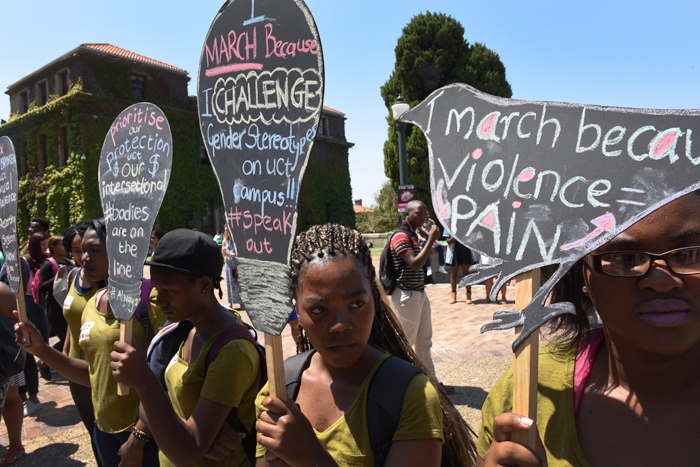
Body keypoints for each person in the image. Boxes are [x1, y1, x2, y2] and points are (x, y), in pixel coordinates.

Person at [477, 191, 700, 466]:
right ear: (581, 272)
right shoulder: (530, 386)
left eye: (691, 254)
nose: (662, 281)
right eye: (625, 259)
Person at [254, 223, 475, 466]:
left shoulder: (411, 396)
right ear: (296, 309)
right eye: (318, 309)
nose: (340, 325)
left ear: (374, 299)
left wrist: (309, 455)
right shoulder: (278, 390)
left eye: (357, 304)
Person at [111, 229, 263, 466]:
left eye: (169, 291)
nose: (160, 301)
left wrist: (144, 382)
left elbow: (187, 451)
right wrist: (188, 429)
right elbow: (151, 408)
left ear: (204, 284)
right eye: (157, 290)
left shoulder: (232, 351)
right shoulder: (187, 330)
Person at [16, 218, 162, 467]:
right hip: (104, 431)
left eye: (94, 250)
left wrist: (138, 438)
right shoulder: (92, 304)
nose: (84, 258)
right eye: (83, 250)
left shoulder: (151, 299)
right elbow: (94, 375)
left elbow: (164, 380)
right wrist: (41, 350)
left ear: (122, 252)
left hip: (146, 435)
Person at [389, 200, 443, 386]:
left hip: (418, 293)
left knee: (424, 342)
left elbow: (433, 238)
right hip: (406, 295)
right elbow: (414, 263)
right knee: (406, 343)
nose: (422, 217)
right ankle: (398, 384)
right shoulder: (400, 236)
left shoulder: (414, 235)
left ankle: (431, 382)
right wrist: (430, 239)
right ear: (407, 215)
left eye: (424, 214)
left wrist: (430, 231)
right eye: (418, 214)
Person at [19, 232, 50, 415]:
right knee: (28, 347)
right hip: (29, 304)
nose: (45, 249)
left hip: (41, 304)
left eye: (48, 245)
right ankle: (29, 397)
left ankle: (46, 364)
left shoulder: (47, 261)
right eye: (42, 245)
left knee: (43, 340)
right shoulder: (25, 262)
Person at [0, 278, 26, 465]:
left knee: (11, 396)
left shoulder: (2, 292)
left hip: (5, 362)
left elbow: (18, 324)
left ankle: (15, 445)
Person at [38, 235, 73, 365]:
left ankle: (48, 361)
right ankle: (45, 362)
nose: (66, 248)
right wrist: (58, 277)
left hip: (69, 304)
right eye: (62, 245)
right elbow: (41, 287)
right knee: (66, 339)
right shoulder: (48, 264)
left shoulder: (68, 262)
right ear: (53, 247)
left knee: (72, 337)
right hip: (55, 308)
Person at [444, 230, 476, 304]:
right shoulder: (447, 225)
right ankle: (453, 295)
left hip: (465, 250)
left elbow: (472, 238)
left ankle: (468, 295)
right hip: (454, 251)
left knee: (466, 274)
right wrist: (456, 235)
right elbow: (448, 241)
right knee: (454, 274)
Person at [222, 225, 241, 308]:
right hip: (228, 264)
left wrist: (233, 255)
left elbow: (240, 253)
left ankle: (241, 302)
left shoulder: (236, 240)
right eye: (226, 230)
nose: (227, 232)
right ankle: (230, 303)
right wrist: (223, 251)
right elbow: (223, 255)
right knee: (229, 283)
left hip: (236, 264)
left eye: (228, 230)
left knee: (238, 283)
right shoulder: (224, 241)